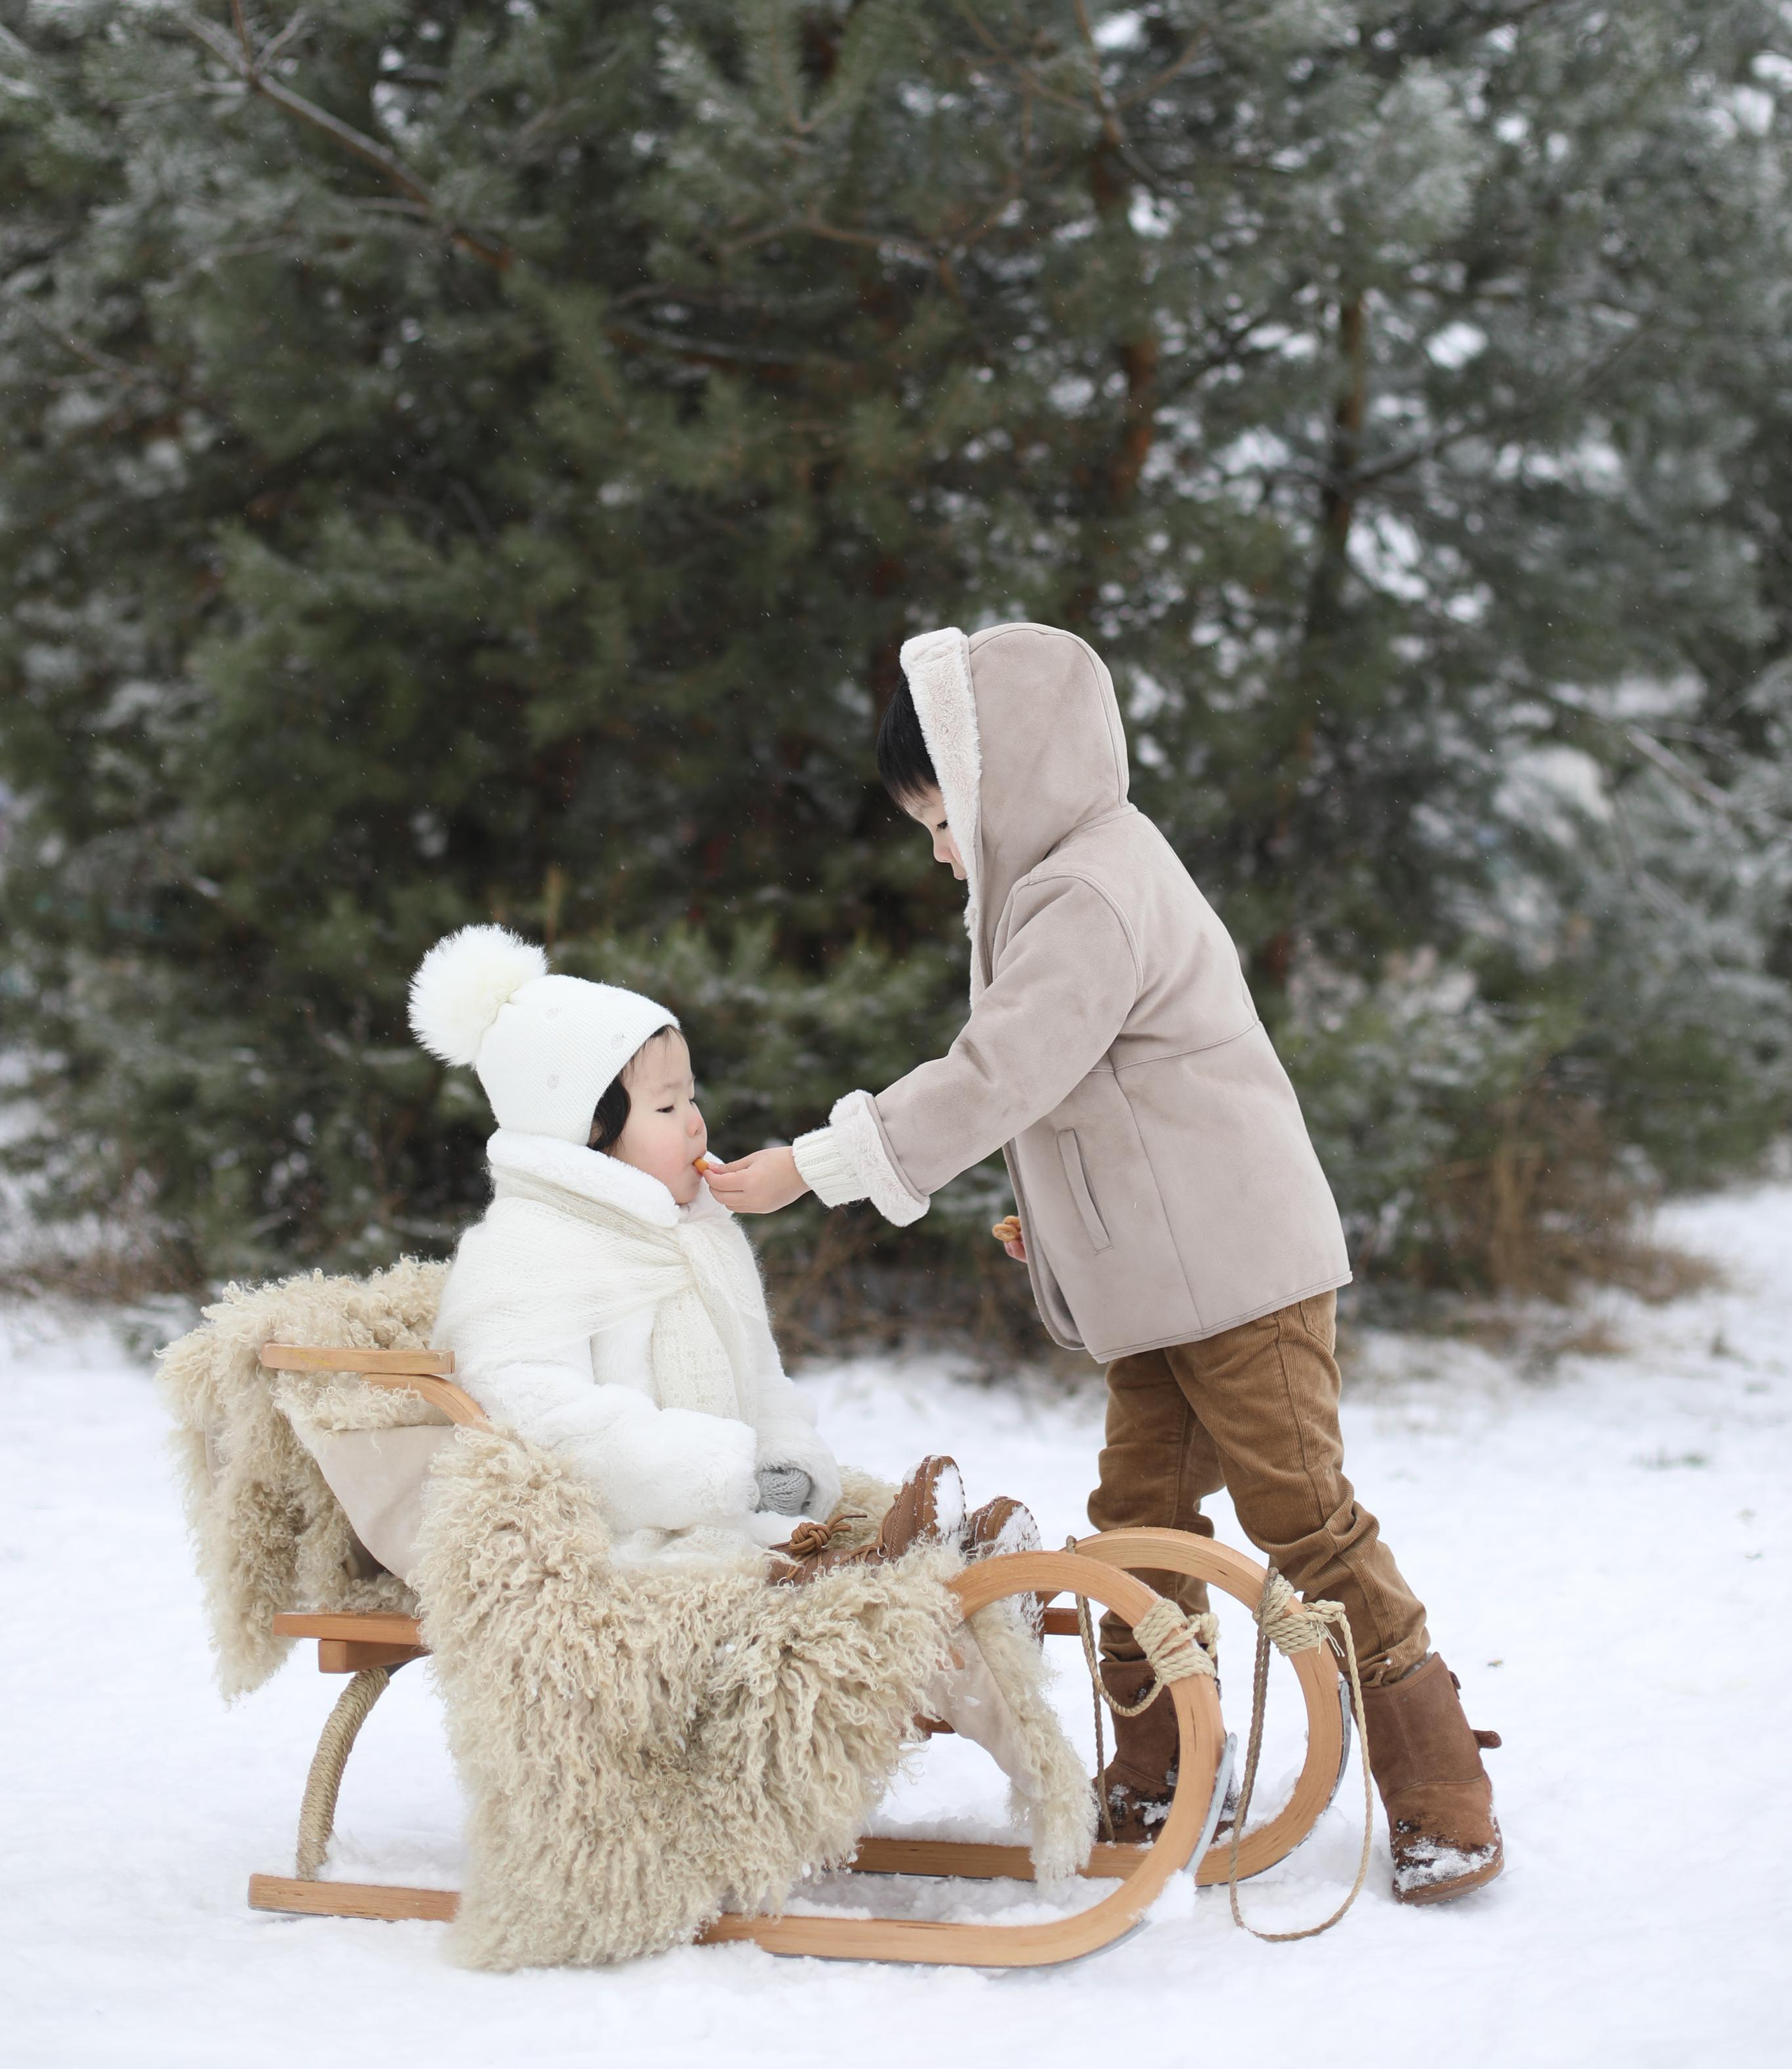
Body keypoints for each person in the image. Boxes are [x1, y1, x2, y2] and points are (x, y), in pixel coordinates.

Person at [707, 622, 1504, 1903]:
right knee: (1139, 1518)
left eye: (943, 819)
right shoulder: (1068, 879)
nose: (941, 851)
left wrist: (820, 1161)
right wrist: (1066, 1218)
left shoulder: (1088, 889)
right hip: (1166, 1283)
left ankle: (1438, 1781)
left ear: (1004, 781)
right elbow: (1100, 1096)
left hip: (1239, 1273)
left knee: (1301, 1515)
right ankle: (1168, 1760)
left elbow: (1001, 1074)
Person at [410, 923, 1035, 1578]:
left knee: (828, 1557)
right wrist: (709, 1473)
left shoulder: (702, 1235)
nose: (695, 1122)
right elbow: (538, 1414)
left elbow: (758, 1373)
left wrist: (784, 1462)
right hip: (615, 1543)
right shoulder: (530, 1250)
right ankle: (912, 1570)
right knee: (796, 1594)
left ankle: (950, 1567)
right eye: (665, 1107)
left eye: (692, 1095)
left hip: (734, 1516)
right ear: (587, 1133)